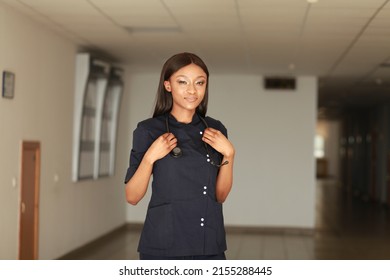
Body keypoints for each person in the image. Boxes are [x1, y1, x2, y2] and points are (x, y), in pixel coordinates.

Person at [124, 52, 235, 260]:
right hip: (164, 243)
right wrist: (150, 158)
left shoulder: (216, 129)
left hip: (208, 243)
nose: (192, 90)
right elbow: (132, 196)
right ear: (168, 85)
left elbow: (220, 196)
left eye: (200, 83)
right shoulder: (148, 130)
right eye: (182, 82)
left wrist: (230, 154)